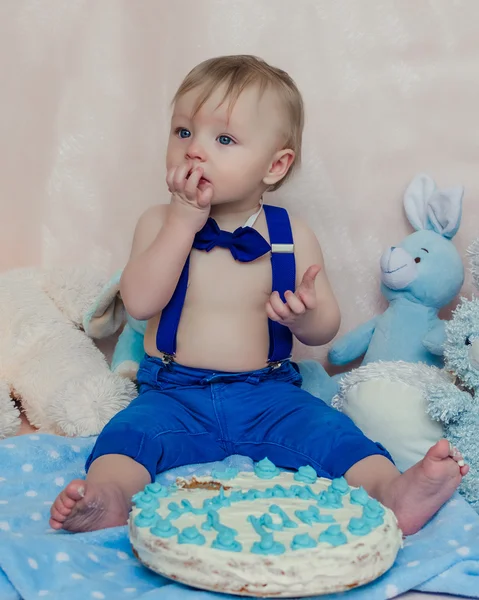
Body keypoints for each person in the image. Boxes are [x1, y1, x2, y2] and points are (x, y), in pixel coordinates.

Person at [50, 55, 467, 536]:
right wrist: (184, 221)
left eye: (223, 139)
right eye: (183, 132)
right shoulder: (158, 222)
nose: (195, 150)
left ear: (275, 165)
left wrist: (303, 317)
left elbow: (325, 326)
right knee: (126, 438)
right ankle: (109, 498)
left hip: (268, 394)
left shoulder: (292, 233)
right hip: (173, 393)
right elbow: (141, 303)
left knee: (333, 434)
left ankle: (390, 490)